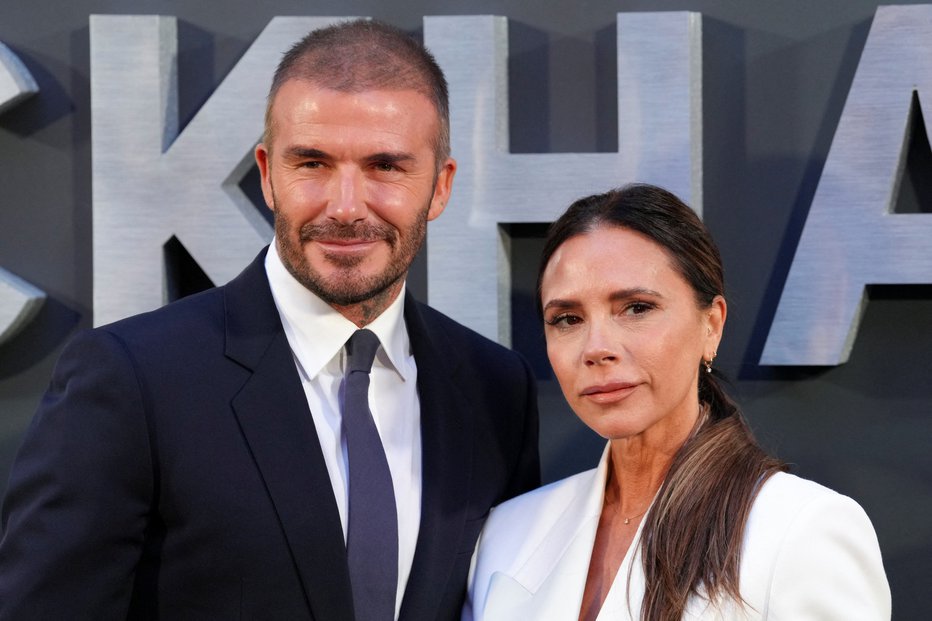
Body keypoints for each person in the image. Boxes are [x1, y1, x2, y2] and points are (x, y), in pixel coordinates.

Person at [0, 19, 539, 621]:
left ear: (439, 187)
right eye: (312, 163)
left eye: (385, 166)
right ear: (267, 174)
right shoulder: (132, 380)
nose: (345, 207)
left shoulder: (495, 390)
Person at [464, 184, 890, 620]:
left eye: (636, 308)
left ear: (711, 325)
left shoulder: (800, 530)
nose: (596, 348)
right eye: (568, 319)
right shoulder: (508, 532)